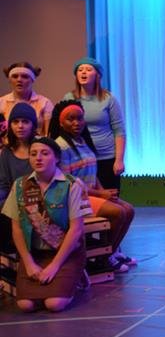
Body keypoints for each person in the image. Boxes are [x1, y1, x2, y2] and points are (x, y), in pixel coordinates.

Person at [2, 137, 91, 312]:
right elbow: (16, 228)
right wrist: (28, 263)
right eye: (33, 154)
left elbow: (76, 229)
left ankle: (77, 277)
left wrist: (54, 266)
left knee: (54, 304)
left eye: (45, 153)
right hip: (35, 254)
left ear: (56, 158)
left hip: (65, 253)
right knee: (25, 305)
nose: (38, 158)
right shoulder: (20, 185)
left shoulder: (72, 185)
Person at [49, 99, 136, 274]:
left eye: (79, 118)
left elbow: (92, 173)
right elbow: (69, 182)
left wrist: (103, 191)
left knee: (129, 210)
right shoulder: (60, 147)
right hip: (75, 199)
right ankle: (104, 259)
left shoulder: (83, 141)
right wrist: (100, 194)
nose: (76, 122)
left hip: (91, 195)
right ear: (61, 122)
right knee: (118, 213)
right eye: (70, 119)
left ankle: (111, 252)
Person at [63, 57, 127, 191]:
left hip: (106, 157)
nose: (83, 72)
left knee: (110, 199)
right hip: (81, 158)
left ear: (97, 75)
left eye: (88, 69)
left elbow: (119, 131)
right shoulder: (69, 98)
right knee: (84, 198)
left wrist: (119, 160)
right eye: (80, 70)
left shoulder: (109, 98)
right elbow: (63, 129)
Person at [0, 103, 38, 252]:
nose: (20, 126)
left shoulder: (40, 148)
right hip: (13, 201)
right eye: (16, 122)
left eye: (25, 121)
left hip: (38, 200)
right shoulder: (7, 152)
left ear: (33, 125)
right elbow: (3, 185)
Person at [1, 62, 54, 136]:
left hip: (37, 142)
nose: (19, 80)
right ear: (10, 80)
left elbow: (48, 135)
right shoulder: (1, 102)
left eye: (25, 76)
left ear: (32, 79)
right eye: (15, 76)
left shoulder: (45, 103)